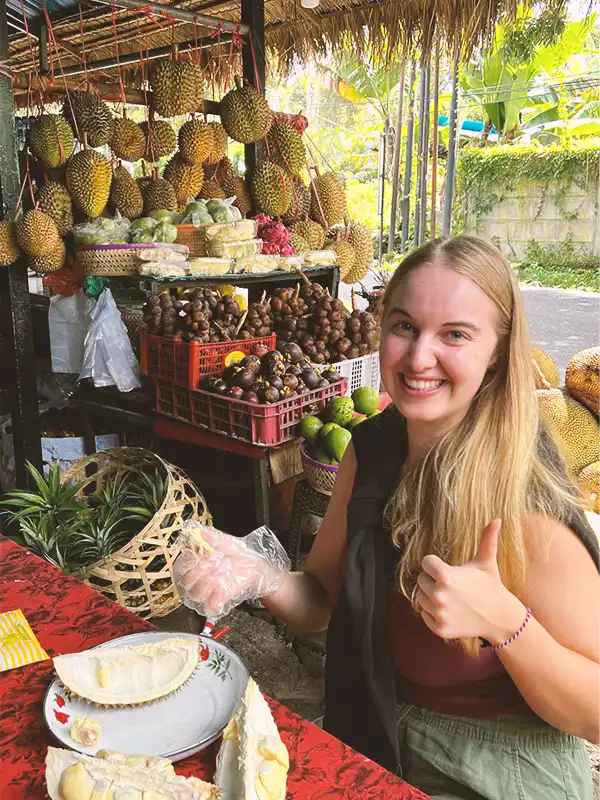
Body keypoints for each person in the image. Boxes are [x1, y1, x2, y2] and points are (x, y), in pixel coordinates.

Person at [174, 236, 600, 800]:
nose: (419, 357)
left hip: (499, 766)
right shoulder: (371, 450)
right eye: (404, 326)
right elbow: (322, 602)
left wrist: (505, 623)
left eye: (454, 334)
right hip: (377, 727)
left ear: (496, 351)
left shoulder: (525, 498)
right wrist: (260, 576)